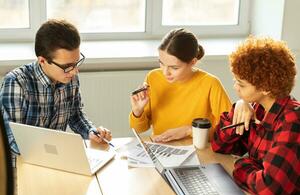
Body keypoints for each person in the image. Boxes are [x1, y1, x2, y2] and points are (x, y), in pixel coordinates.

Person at [0, 19, 112, 155]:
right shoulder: (16, 83)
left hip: (56, 159)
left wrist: (91, 132)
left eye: (76, 63)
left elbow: (75, 115)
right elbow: (10, 140)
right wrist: (54, 153)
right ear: (42, 61)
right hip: (23, 165)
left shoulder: (70, 78)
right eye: (67, 66)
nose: (74, 71)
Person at [212, 37, 300, 195]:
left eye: (241, 84)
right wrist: (239, 105)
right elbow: (219, 145)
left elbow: (269, 189)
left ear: (265, 88)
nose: (235, 87)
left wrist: (241, 164)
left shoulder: (292, 120)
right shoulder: (259, 108)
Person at [129, 28, 231, 142]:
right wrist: (137, 112)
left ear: (193, 62)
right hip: (162, 149)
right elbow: (140, 129)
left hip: (197, 151)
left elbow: (228, 131)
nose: (165, 72)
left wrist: (190, 130)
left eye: (174, 68)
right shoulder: (153, 77)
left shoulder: (210, 84)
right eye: (161, 63)